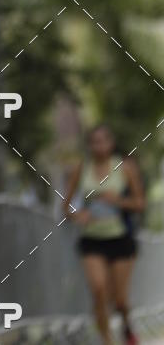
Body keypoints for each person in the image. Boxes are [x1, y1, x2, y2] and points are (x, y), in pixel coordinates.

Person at [63, 124, 145, 345]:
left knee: (119, 300)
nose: (99, 146)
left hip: (119, 239)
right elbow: (66, 206)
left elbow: (139, 203)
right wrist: (77, 215)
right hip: (92, 239)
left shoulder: (125, 167)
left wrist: (117, 200)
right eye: (94, 141)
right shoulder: (81, 168)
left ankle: (127, 325)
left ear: (111, 143)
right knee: (98, 290)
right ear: (89, 145)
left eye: (103, 141)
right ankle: (107, 340)